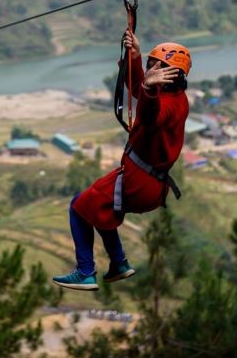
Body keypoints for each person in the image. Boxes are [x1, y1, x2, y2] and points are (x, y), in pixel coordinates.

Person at [52, 30, 191, 290]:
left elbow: (151, 118)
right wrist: (135, 57)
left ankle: (85, 271)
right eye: (152, 65)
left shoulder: (171, 104)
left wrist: (148, 88)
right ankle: (119, 264)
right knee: (99, 207)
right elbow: (141, 87)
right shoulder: (170, 95)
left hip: (140, 181)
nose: (153, 71)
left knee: (78, 206)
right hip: (146, 181)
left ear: (174, 75)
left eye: (158, 67)